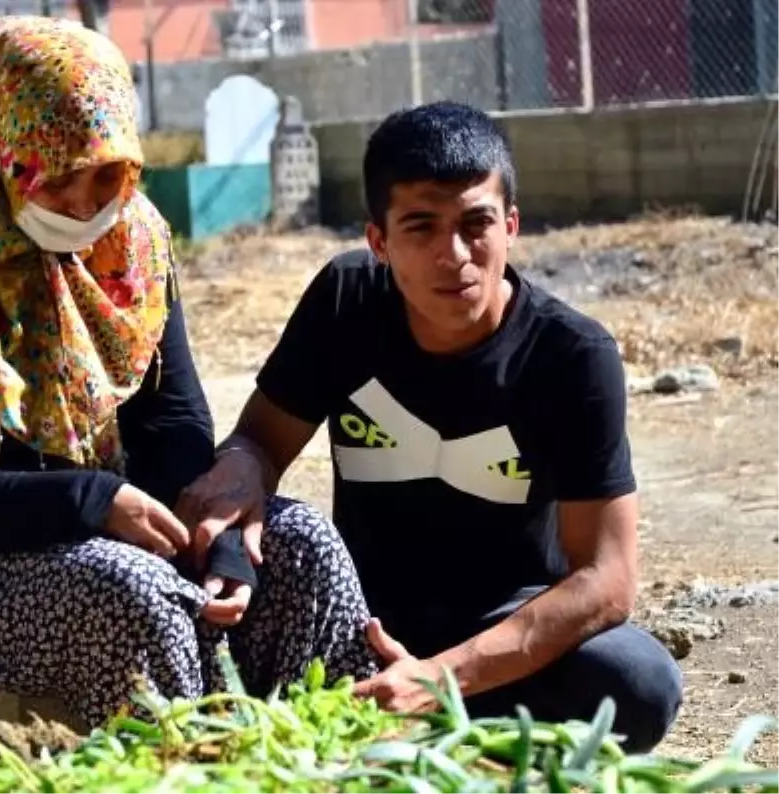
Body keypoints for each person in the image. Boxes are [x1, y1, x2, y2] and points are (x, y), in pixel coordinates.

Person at [0, 16, 377, 730]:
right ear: (2, 144)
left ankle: (328, 764)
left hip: (120, 528)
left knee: (304, 550)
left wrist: (214, 538)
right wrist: (93, 501)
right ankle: (191, 774)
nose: (88, 205)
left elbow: (175, 421)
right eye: (59, 176)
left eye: (108, 174)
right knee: (134, 597)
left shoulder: (134, 241)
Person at [179, 100, 684, 753]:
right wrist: (243, 469)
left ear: (511, 226)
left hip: (505, 623)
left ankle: (428, 717)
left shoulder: (571, 356)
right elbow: (260, 443)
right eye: (421, 227)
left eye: (476, 224)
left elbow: (606, 579)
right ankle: (401, 716)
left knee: (638, 686)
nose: (455, 255)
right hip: (360, 615)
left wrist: (443, 677)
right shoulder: (345, 302)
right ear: (379, 242)